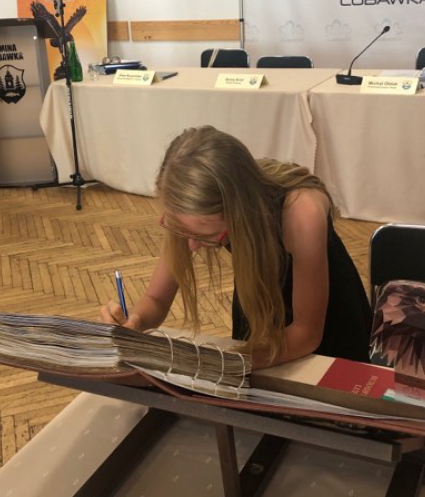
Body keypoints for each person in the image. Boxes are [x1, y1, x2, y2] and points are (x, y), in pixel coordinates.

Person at [101, 126, 372, 369]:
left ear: (241, 213)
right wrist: (135, 320)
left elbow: (306, 335)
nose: (191, 245)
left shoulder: (301, 213)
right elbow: (156, 299)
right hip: (260, 302)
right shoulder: (186, 211)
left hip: (328, 326)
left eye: (206, 236)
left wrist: (224, 364)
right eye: (185, 232)